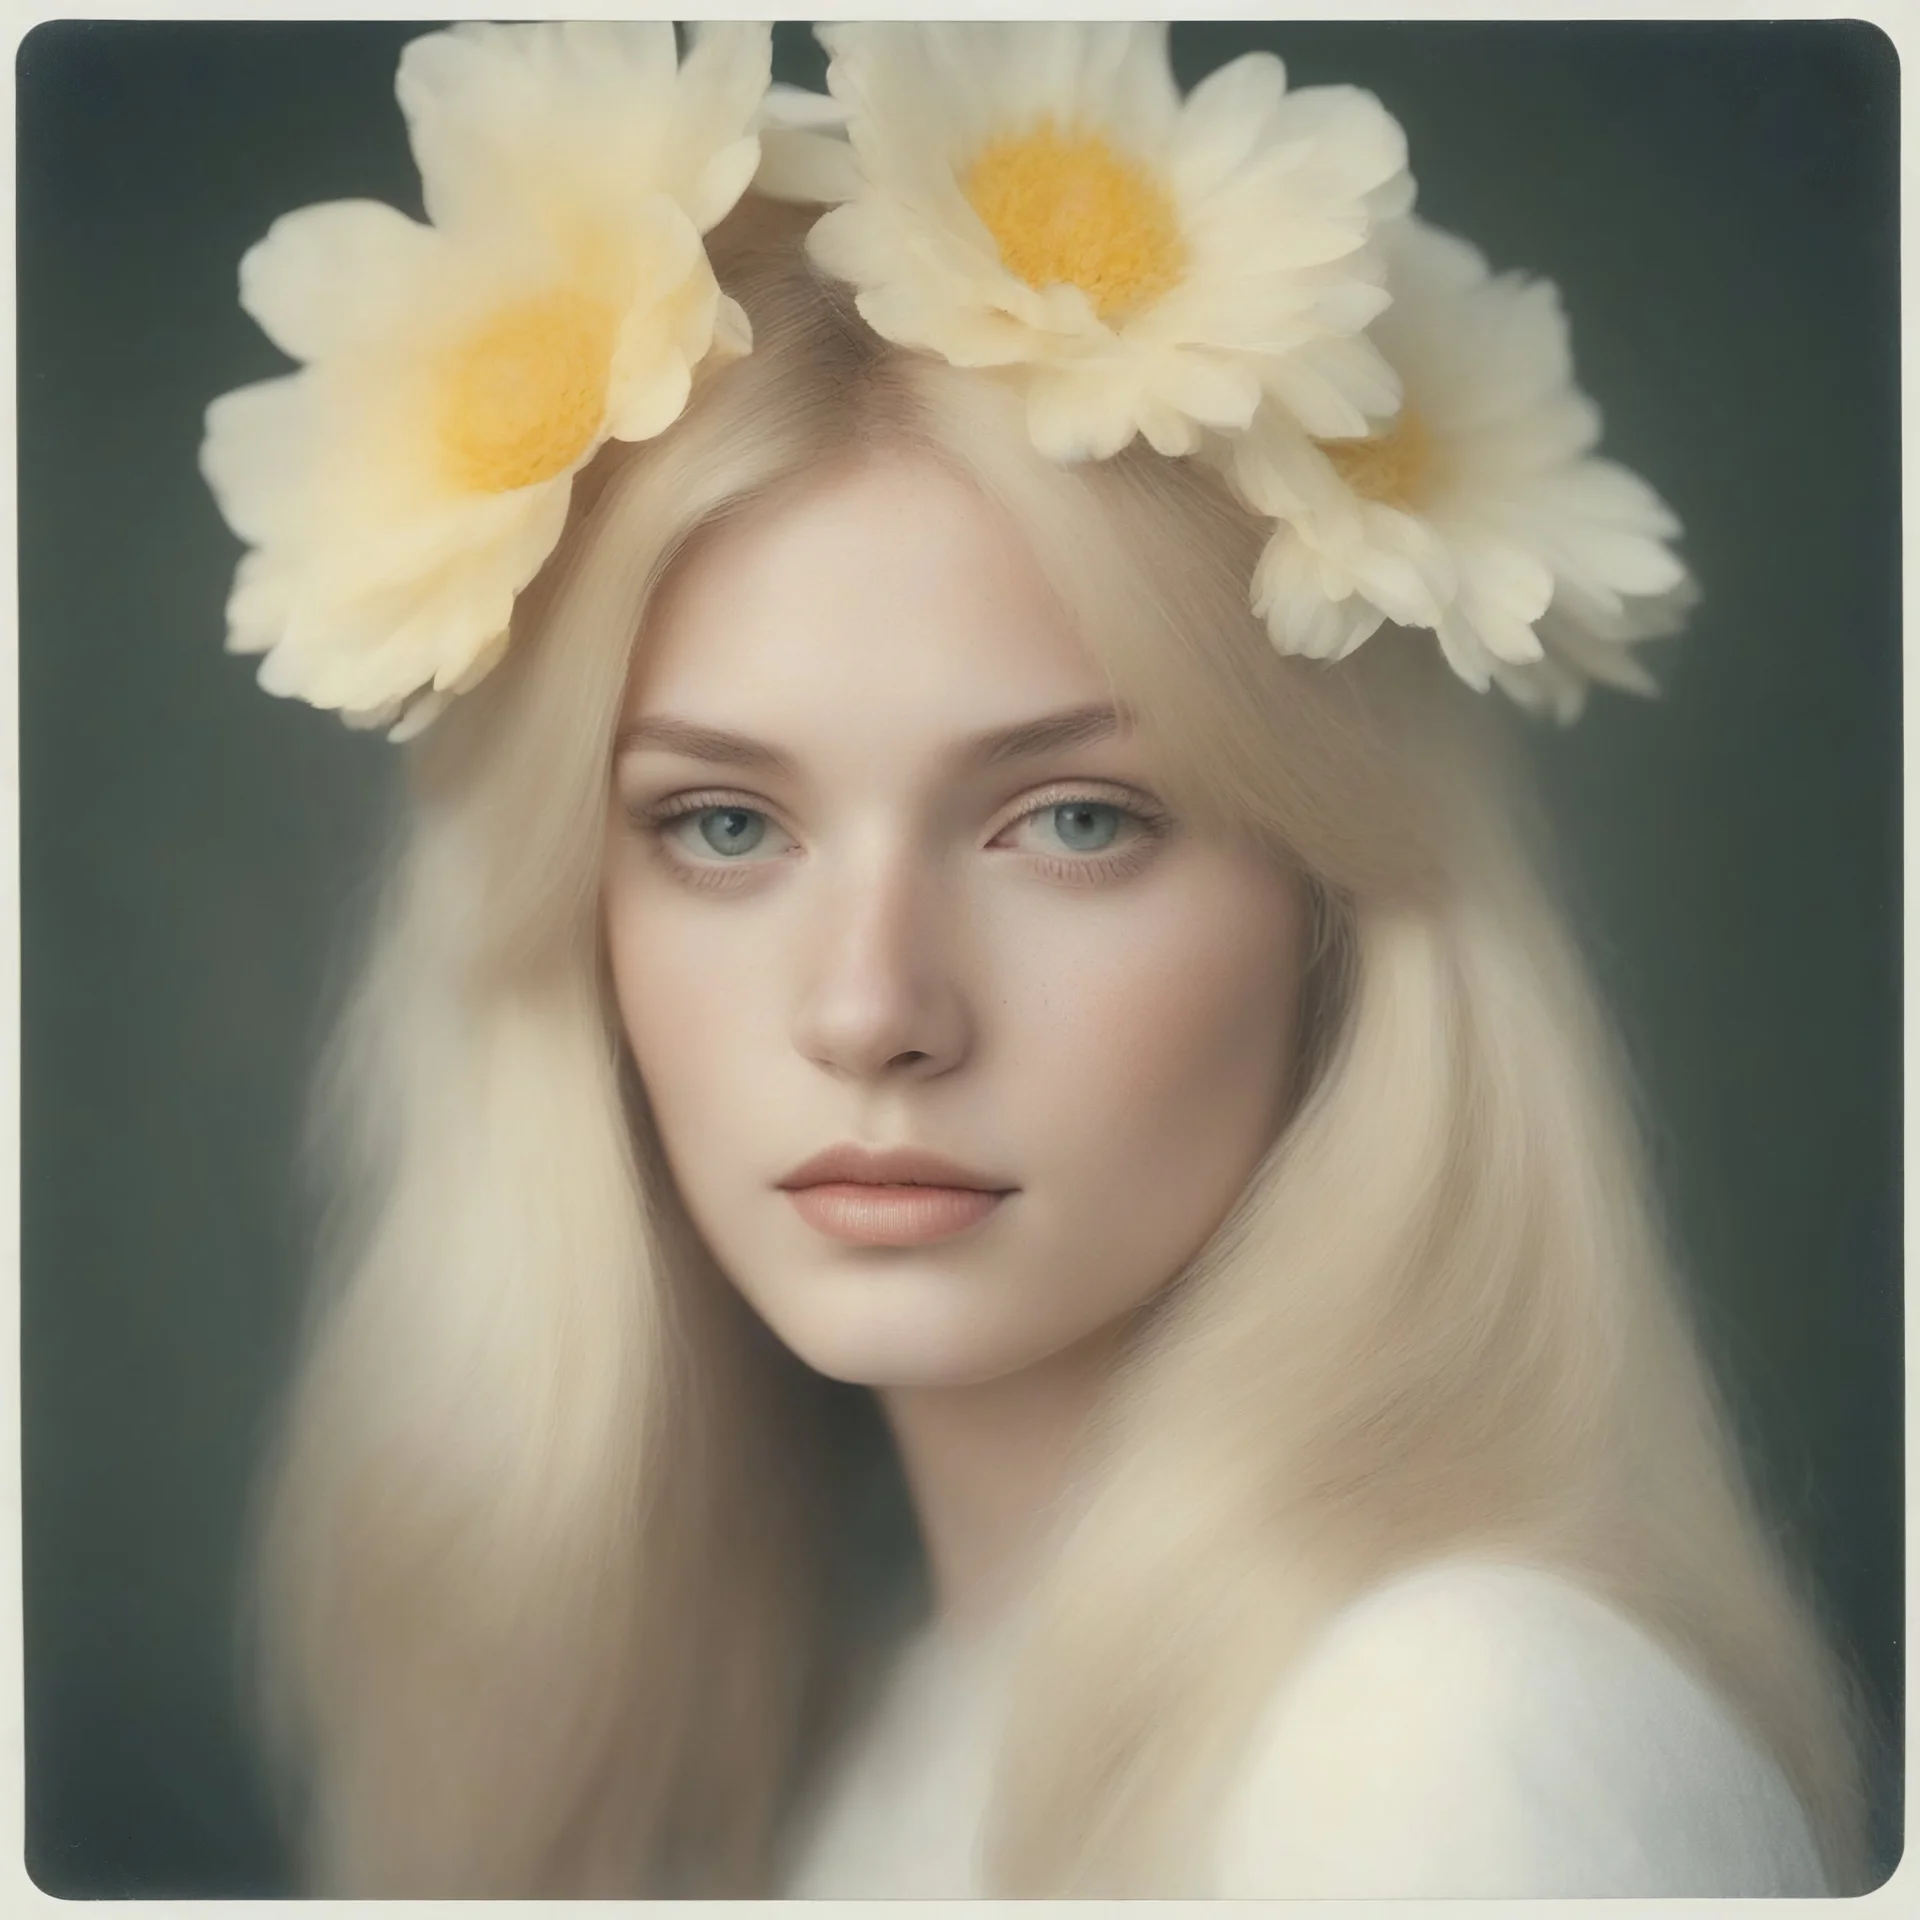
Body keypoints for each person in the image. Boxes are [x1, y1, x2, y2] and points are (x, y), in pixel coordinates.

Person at [199, 19, 1869, 1898]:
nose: (872, 1010)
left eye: (1074, 821)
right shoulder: (882, 1737)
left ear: (1334, 904)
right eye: (724, 827)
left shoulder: (1458, 1745)